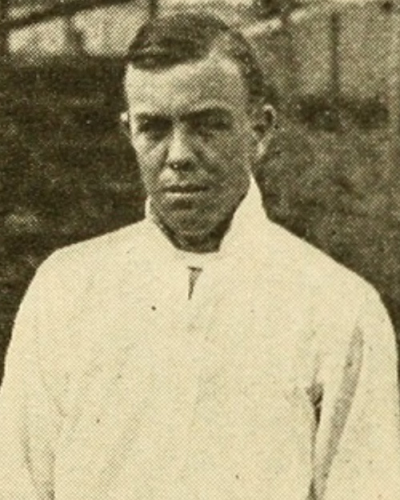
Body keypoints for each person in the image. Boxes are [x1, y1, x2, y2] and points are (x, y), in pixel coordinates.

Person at [0, 12, 399, 500]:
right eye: (154, 128)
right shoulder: (65, 289)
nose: (179, 155)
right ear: (129, 132)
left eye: (207, 126)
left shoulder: (339, 308)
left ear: (259, 131)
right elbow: (17, 483)